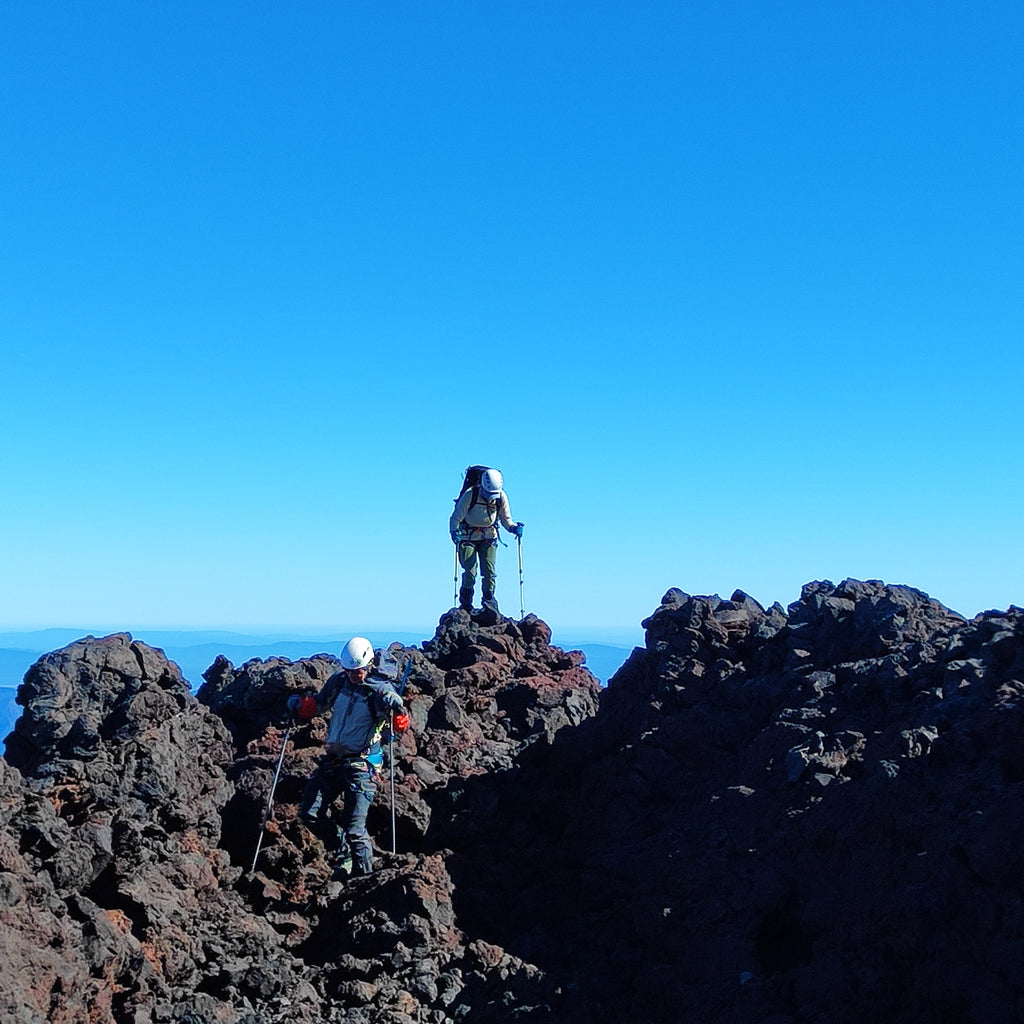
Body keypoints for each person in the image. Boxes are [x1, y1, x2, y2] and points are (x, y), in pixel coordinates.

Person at [287, 636, 408, 877]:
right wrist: (300, 706)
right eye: (350, 671)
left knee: (355, 829)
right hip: (335, 760)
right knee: (309, 813)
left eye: (359, 671)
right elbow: (320, 705)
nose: (355, 676)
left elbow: (399, 725)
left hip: (363, 765)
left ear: (370, 665)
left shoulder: (381, 692)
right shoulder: (339, 682)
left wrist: (399, 713)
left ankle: (364, 878)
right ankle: (343, 852)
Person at [449, 467, 523, 615]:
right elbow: (456, 517)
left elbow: (505, 518)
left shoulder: (500, 497)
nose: (491, 497)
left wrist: (513, 528)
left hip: (489, 536)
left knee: (489, 571)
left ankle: (489, 601)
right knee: (470, 571)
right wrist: (454, 531)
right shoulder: (471, 495)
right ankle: (466, 604)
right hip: (468, 536)